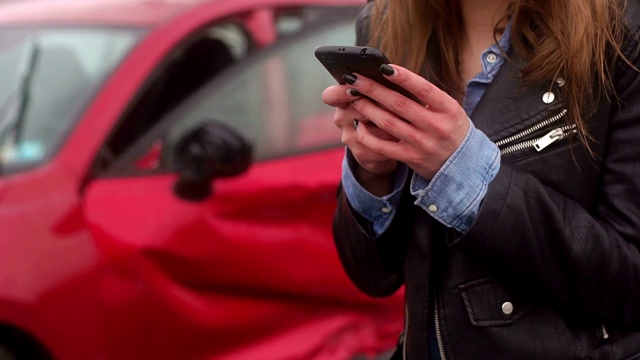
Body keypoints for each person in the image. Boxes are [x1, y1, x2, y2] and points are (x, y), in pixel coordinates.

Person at [322, 0, 640, 358]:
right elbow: (372, 277)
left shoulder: (623, 27)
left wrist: (465, 175)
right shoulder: (384, 20)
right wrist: (373, 174)